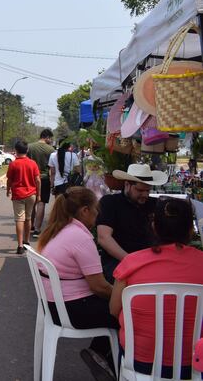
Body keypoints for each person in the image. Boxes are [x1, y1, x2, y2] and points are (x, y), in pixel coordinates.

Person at [109, 198, 203, 379]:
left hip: (139, 362)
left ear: (154, 227)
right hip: (194, 363)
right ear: (191, 230)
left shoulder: (132, 263)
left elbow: (114, 309)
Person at [37, 187, 118, 381]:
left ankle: (99, 354)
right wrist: (123, 298)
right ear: (84, 211)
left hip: (54, 306)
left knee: (118, 306)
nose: (98, 214)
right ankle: (116, 366)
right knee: (128, 314)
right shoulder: (80, 237)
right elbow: (99, 286)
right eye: (95, 210)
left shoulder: (59, 230)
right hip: (72, 309)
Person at [96, 163, 167, 283]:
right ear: (127, 185)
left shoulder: (155, 204)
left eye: (148, 190)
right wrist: (131, 260)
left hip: (150, 262)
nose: (145, 194)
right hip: (118, 262)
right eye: (140, 190)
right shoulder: (110, 203)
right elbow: (103, 238)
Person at [6, 140, 41, 254]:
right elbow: (37, 180)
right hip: (31, 194)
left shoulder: (13, 164)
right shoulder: (33, 163)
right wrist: (39, 194)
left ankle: (20, 245)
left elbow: (9, 180)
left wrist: (8, 190)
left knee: (19, 218)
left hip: (18, 194)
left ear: (16, 150)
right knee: (28, 218)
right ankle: (27, 241)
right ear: (27, 150)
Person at [27, 129, 55, 236]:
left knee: (31, 203)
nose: (51, 140)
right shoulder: (51, 149)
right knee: (41, 203)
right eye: (50, 138)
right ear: (47, 137)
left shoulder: (30, 147)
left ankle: (30, 226)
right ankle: (37, 229)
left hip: (31, 178)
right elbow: (52, 167)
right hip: (44, 179)